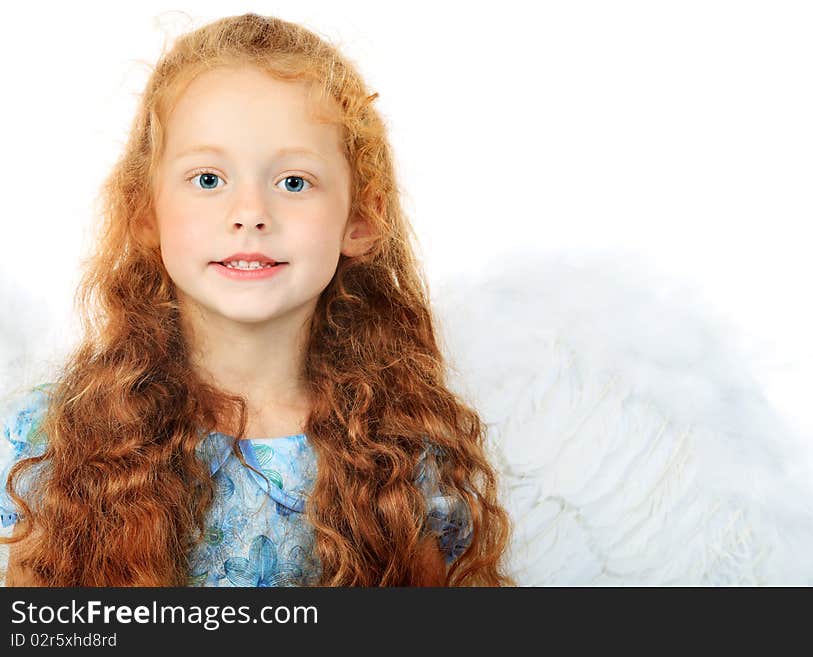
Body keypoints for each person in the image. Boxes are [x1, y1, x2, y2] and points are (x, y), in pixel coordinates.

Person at [0, 13, 513, 587]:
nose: (250, 213)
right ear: (145, 211)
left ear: (361, 219)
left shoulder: (398, 454)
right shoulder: (56, 440)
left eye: (294, 182)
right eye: (208, 178)